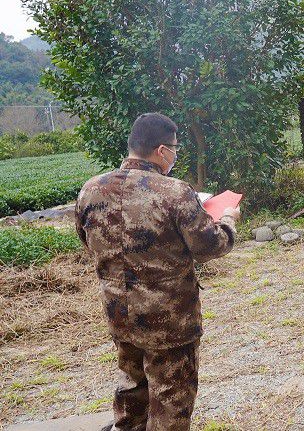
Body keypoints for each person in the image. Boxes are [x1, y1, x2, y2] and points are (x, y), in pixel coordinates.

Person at [75, 113, 240, 431]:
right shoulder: (174, 192)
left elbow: (87, 240)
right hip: (169, 320)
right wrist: (228, 219)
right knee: (171, 401)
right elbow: (209, 247)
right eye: (175, 149)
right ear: (162, 150)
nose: (175, 155)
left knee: (131, 391)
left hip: (119, 313)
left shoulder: (90, 190)